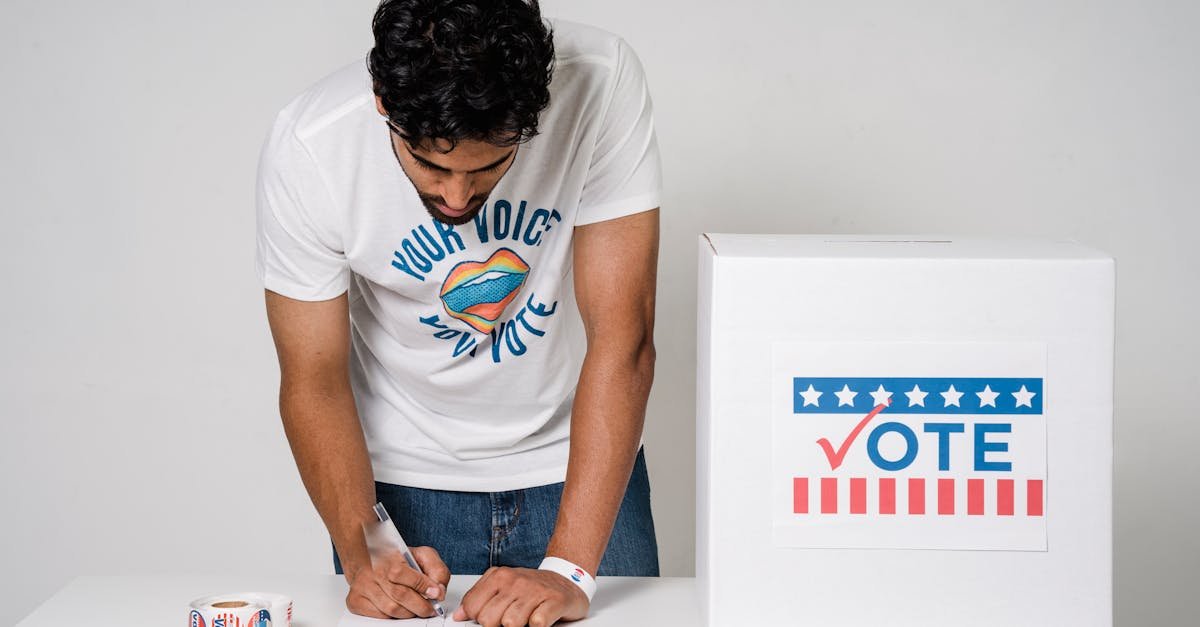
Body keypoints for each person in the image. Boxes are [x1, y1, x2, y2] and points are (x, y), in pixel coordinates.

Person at [254, 0, 661, 625]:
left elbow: (623, 337)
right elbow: (313, 377)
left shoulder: (600, 81)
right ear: (384, 103)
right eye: (430, 166)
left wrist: (571, 568)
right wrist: (365, 548)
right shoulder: (313, 146)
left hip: (576, 463)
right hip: (400, 483)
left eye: (490, 167)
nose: (455, 196)